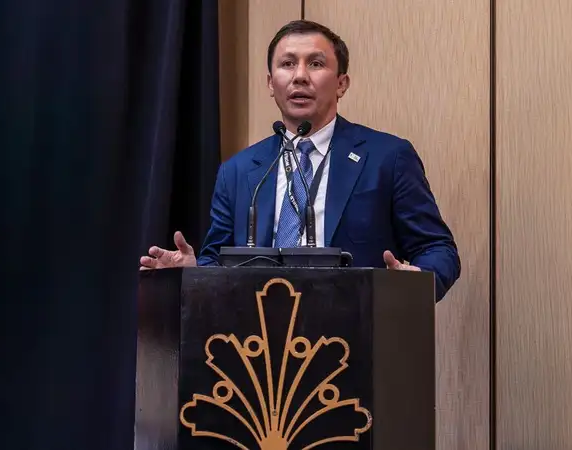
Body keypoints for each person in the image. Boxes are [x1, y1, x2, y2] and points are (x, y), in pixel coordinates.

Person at [140, 20, 460, 300]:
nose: (300, 76)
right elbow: (217, 263)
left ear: (341, 83)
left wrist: (415, 282)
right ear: (271, 83)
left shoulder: (387, 157)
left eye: (316, 64)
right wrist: (193, 272)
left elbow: (438, 249)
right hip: (258, 337)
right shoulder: (238, 171)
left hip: (358, 332)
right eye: (288, 64)